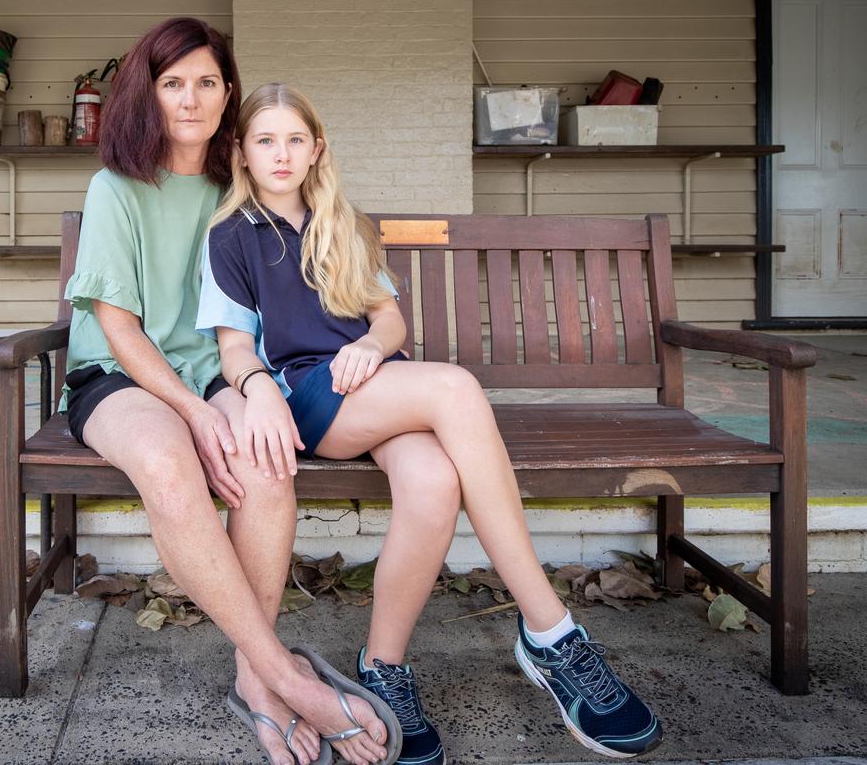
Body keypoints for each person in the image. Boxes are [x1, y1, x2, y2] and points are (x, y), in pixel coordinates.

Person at [197, 83, 665, 764]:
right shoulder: (231, 236)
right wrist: (258, 387)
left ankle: (383, 666)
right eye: (265, 139)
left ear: (316, 148)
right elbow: (235, 346)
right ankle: (550, 632)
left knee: (434, 478)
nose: (281, 153)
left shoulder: (345, 224)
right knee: (454, 387)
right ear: (240, 150)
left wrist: (368, 345)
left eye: (295, 139)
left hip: (378, 384)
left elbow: (389, 320)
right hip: (307, 396)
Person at [62, 19, 400, 765]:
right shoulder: (116, 185)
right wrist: (190, 414)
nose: (191, 99)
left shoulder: (237, 184)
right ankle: (284, 672)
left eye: (207, 83)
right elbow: (117, 327)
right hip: (120, 378)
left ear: (228, 93)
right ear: (147, 94)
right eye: (173, 83)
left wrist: (241, 395)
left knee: (266, 459)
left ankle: (252, 680)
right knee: (168, 462)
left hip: (214, 369)